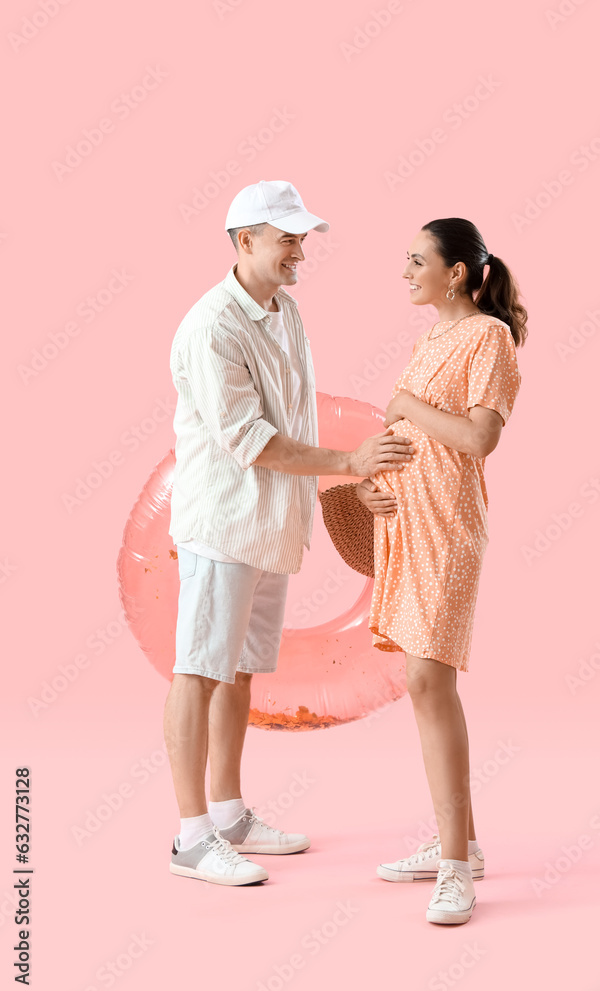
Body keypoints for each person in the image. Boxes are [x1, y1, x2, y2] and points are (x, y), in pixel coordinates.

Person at [164, 179, 416, 887]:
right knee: (198, 670)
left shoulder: (284, 311)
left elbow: (295, 421)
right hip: (223, 522)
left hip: (271, 524)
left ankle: (228, 812)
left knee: (239, 671)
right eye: (288, 238)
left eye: (302, 237)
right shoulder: (211, 326)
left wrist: (340, 481)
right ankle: (190, 837)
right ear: (245, 241)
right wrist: (346, 463)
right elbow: (250, 440)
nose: (300, 250)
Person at [355, 218, 526, 924]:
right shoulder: (431, 338)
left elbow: (480, 436)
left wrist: (406, 408)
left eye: (416, 261)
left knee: (430, 678)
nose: (405, 272)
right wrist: (369, 476)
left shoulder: (488, 337)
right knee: (421, 682)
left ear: (455, 272)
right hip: (404, 520)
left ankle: (455, 866)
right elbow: (405, 431)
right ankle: (461, 844)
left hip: (447, 524)